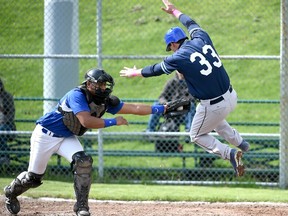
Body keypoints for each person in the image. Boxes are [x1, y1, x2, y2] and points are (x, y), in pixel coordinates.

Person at [3, 68, 167, 216]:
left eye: (105, 85)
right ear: (89, 83)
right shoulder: (77, 95)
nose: (103, 88)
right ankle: (11, 193)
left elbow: (134, 108)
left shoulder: (103, 101)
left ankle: (82, 206)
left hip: (66, 137)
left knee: (83, 161)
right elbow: (86, 121)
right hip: (45, 135)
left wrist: (163, 108)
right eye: (100, 84)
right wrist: (113, 122)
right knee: (33, 178)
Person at [120, 0, 250, 177]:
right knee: (215, 121)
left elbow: (155, 69)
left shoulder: (179, 56)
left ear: (174, 44)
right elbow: (190, 22)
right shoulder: (201, 37)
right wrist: (174, 11)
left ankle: (231, 154)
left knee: (196, 135)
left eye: (170, 47)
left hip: (212, 104)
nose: (171, 51)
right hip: (231, 96)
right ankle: (241, 142)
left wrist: (135, 72)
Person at [0, 78, 16, 164]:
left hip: (7, 126)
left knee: (1, 131)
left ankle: (4, 157)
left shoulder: (7, 97)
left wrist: (2, 121)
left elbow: (10, 115)